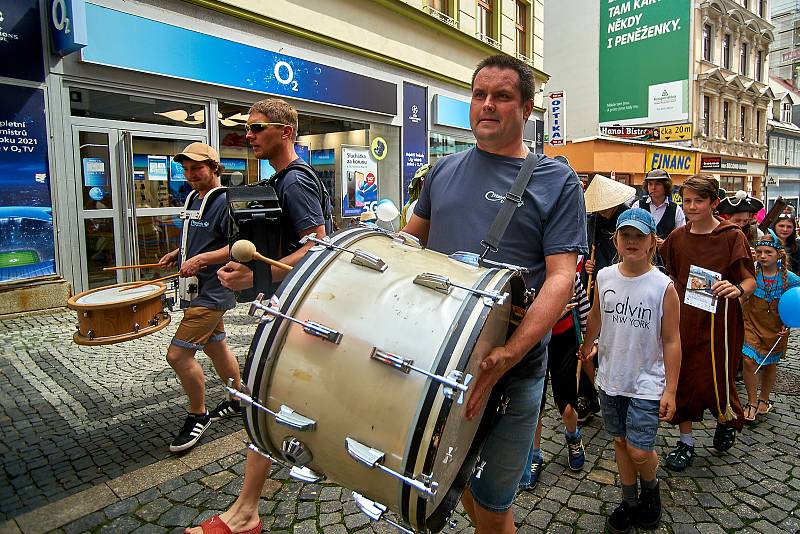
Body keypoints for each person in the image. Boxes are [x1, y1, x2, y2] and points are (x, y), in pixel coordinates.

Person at [403, 54, 587, 534]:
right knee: (447, 477)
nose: (487, 104)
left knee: (494, 500)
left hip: (513, 367)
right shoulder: (440, 171)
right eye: (479, 94)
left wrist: (509, 353)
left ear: (527, 109)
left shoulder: (556, 179)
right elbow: (409, 244)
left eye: (502, 96)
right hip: (439, 357)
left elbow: (562, 277)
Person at [185, 99, 332, 534]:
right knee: (264, 398)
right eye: (246, 129)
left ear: (285, 132)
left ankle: (246, 512)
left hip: (296, 308)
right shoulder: (279, 180)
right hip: (287, 306)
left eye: (256, 128)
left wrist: (258, 276)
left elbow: (317, 247)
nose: (247, 135)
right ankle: (246, 509)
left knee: (262, 397)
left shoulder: (294, 182)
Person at [579, 207, 681, 533]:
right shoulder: (606, 277)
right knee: (621, 442)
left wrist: (671, 390)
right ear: (616, 239)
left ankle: (650, 489)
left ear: (652, 242)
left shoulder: (663, 286)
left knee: (639, 449)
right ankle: (629, 500)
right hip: (611, 377)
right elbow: (597, 315)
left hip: (647, 381)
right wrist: (588, 342)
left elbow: (672, 341)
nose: (632, 241)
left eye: (640, 236)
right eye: (626, 235)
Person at [660, 174, 756, 471]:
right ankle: (685, 442)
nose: (691, 207)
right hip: (686, 320)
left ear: (714, 203)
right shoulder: (677, 238)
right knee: (684, 374)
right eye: (686, 201)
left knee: (719, 373)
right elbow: (674, 277)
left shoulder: (731, 236)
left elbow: (750, 280)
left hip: (721, 320)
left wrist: (737, 289)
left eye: (698, 201)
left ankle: (725, 417)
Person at [158, 143, 241, 453]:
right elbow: (199, 238)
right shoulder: (194, 197)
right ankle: (239, 399)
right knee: (217, 347)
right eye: (187, 169)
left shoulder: (225, 201)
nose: (191, 174)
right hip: (195, 286)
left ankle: (198, 414)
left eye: (197, 168)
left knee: (177, 356)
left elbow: (237, 247)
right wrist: (179, 253)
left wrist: (202, 260)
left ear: (214, 168)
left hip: (214, 289)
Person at [519, 271, 590, 491]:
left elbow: (583, 306)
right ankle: (534, 455)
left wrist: (589, 340)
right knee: (535, 403)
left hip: (564, 340)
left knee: (567, 405)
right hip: (536, 339)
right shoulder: (530, 272)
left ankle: (573, 436)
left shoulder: (569, 275)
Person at [579, 174, 638, 423]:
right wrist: (587, 267)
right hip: (593, 287)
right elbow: (583, 249)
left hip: (620, 286)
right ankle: (587, 394)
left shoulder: (627, 220)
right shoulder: (591, 220)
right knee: (586, 340)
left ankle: (620, 394)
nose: (602, 210)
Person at [741, 232, 800, 421]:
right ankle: (751, 401)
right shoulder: (752, 274)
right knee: (748, 360)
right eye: (759, 252)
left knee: (770, 363)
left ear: (779, 254)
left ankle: (764, 399)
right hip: (751, 322)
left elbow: (795, 303)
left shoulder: (790, 279)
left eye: (768, 252)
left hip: (776, 327)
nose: (763, 256)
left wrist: (787, 326)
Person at [637, 168, 686, 246]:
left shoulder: (676, 209)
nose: (653, 187)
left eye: (657, 184)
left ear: (666, 186)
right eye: (650, 184)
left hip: (665, 256)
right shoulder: (637, 206)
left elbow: (682, 237)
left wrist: (666, 244)